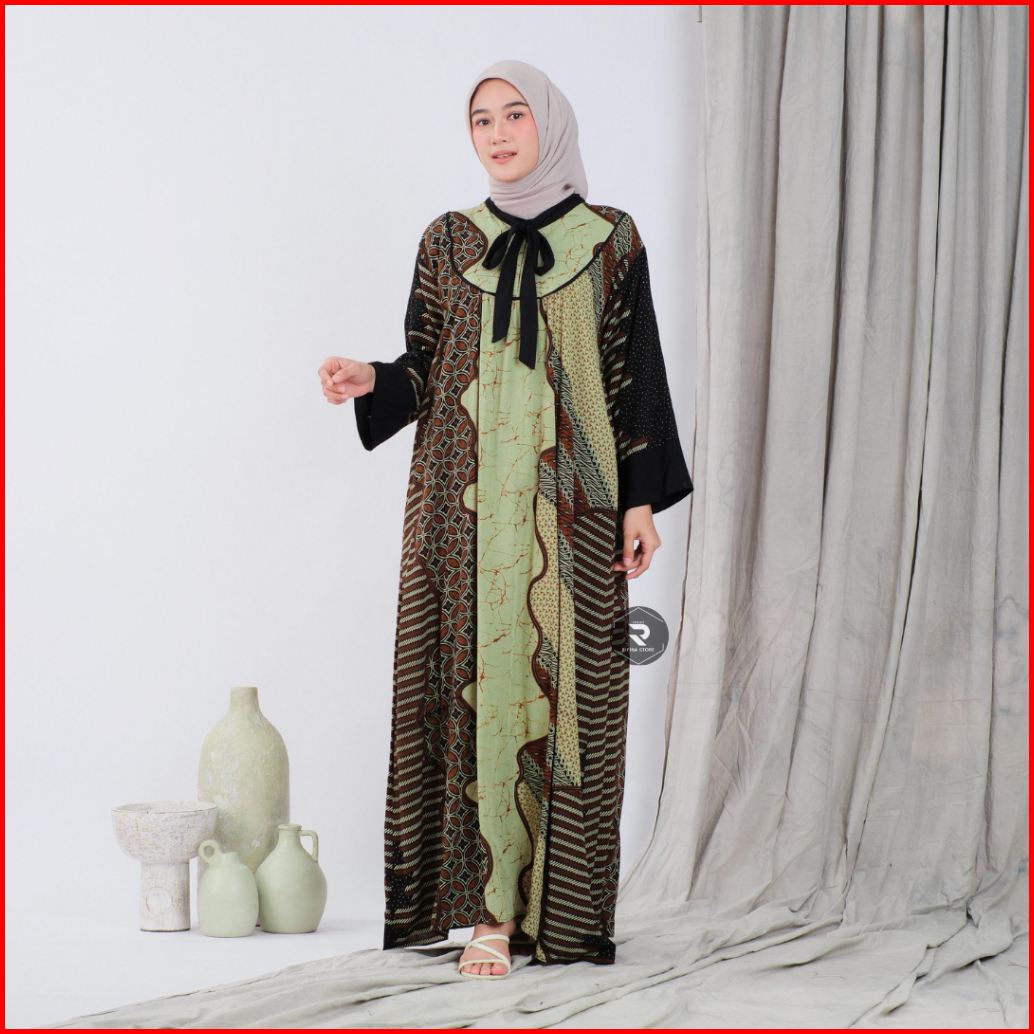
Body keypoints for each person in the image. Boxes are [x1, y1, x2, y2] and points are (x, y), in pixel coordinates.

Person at [318, 60, 692, 979]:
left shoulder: (609, 239)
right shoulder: (449, 240)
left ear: (549, 123)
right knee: (474, 687)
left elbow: (634, 372)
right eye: (481, 119)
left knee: (570, 696)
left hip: (575, 511)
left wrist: (640, 500)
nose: (496, 133)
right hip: (461, 512)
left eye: (515, 114)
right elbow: (424, 364)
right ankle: (488, 912)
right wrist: (373, 379)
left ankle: (558, 915)